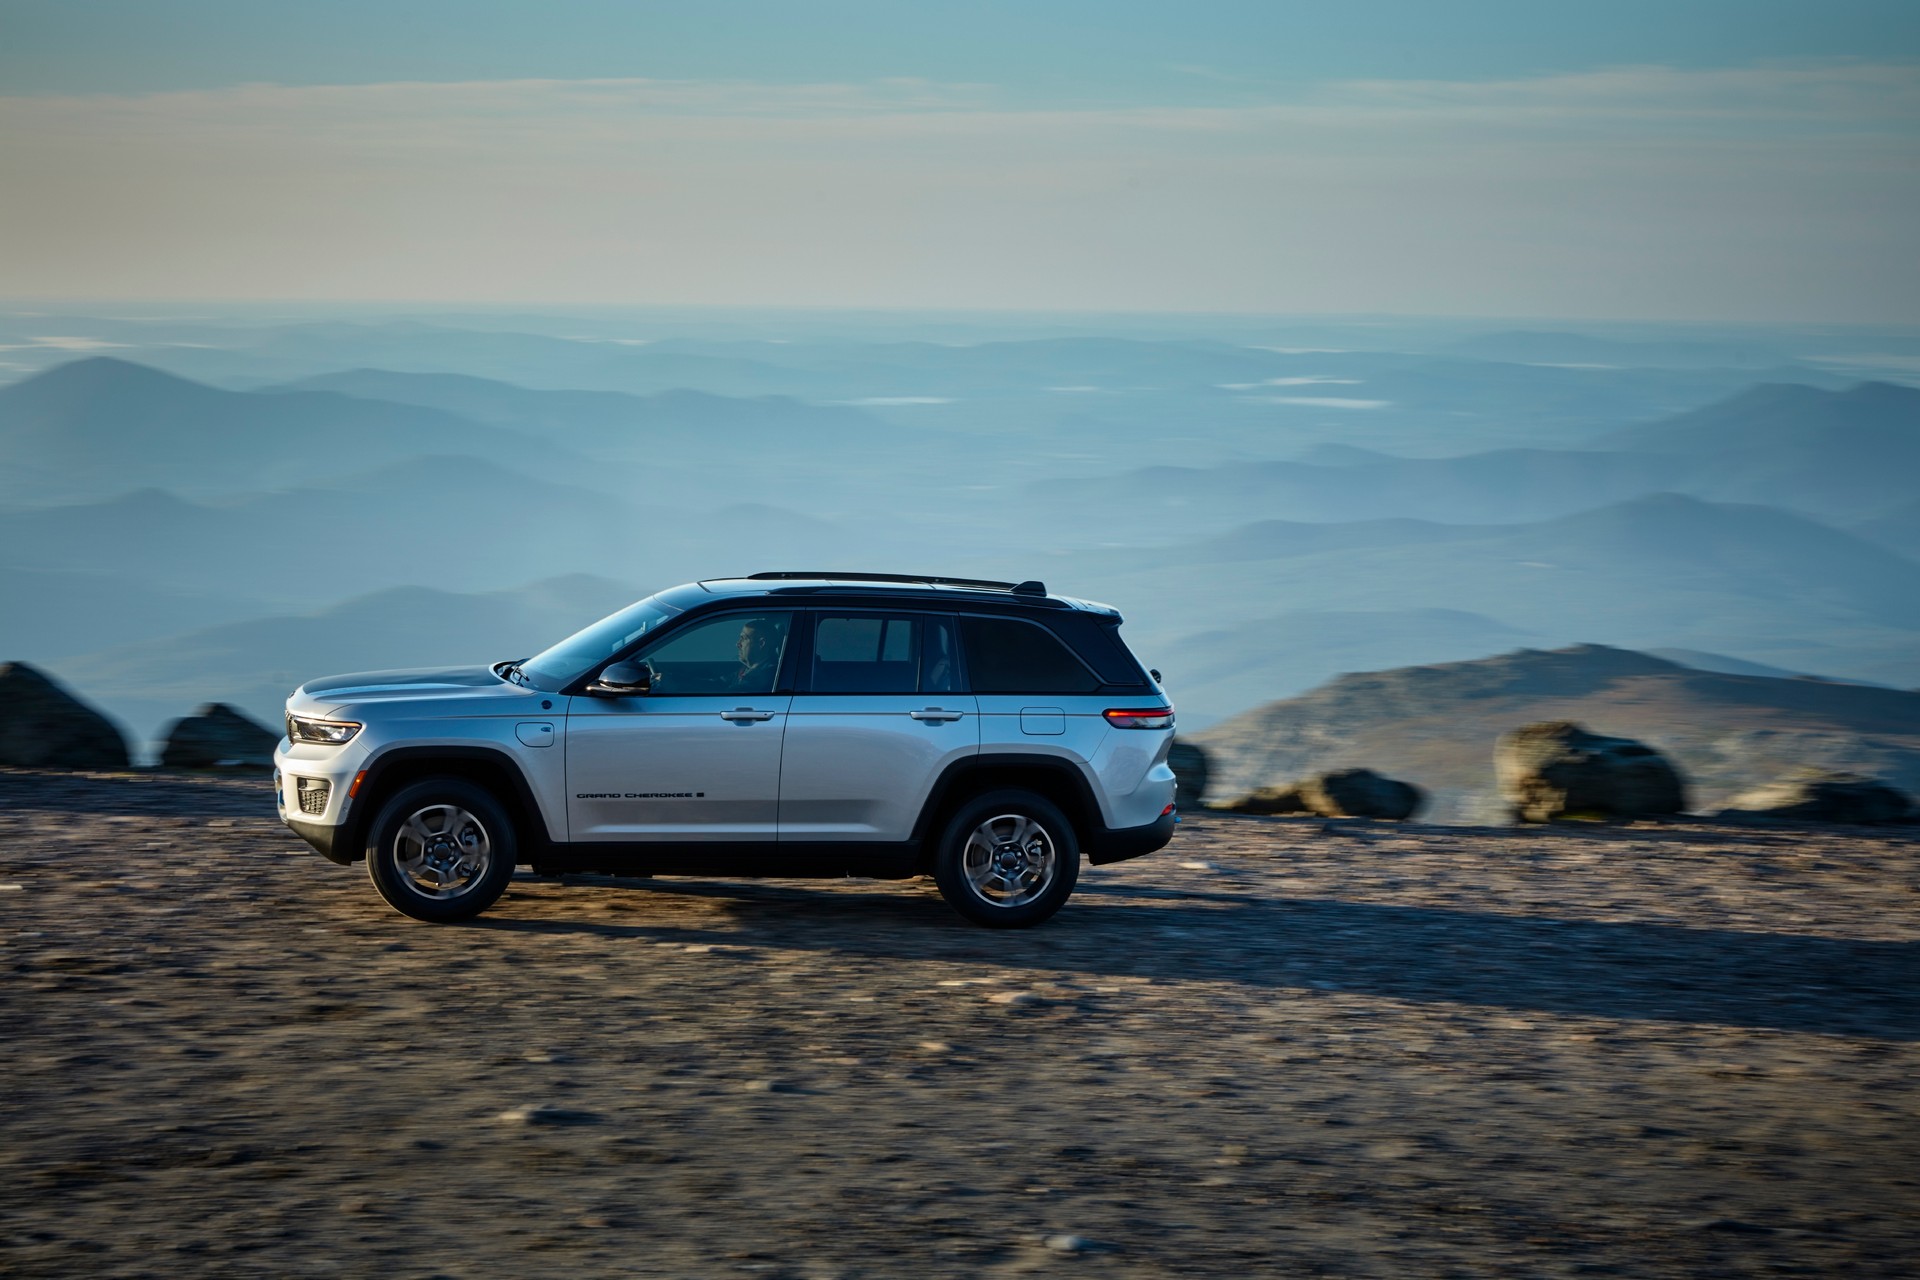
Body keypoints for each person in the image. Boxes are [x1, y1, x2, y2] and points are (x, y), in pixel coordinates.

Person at [732, 618, 780, 691]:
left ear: (761, 643)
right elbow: (723, 682)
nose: (738, 644)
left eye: (743, 638)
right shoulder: (746, 668)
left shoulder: (769, 675)